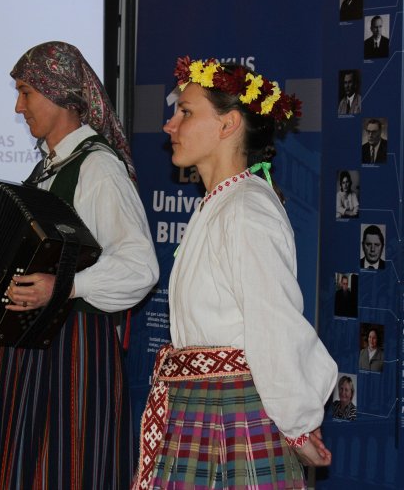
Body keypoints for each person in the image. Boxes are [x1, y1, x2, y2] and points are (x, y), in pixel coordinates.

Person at [134, 57, 337, 489]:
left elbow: (274, 323)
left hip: (233, 418)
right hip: (202, 411)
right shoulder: (221, 203)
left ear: (228, 126)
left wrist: (297, 424)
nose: (170, 126)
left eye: (186, 112)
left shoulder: (246, 209)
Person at [0, 41, 159, 489]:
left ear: (59, 94)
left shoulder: (98, 168)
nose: (19, 106)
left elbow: (140, 266)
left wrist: (63, 286)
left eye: (26, 93)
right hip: (34, 349)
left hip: (74, 349)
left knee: (67, 469)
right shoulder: (49, 168)